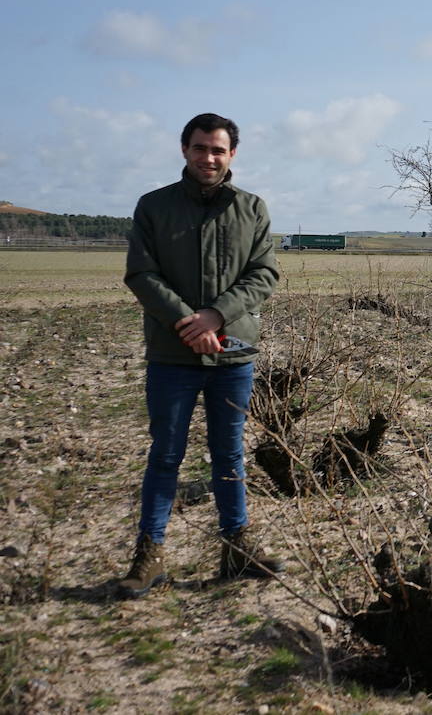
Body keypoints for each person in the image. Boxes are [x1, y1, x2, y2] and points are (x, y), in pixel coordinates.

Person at [118, 113, 282, 598]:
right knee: (166, 455)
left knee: (229, 454)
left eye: (218, 149)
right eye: (199, 147)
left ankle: (237, 546)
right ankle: (149, 554)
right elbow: (142, 275)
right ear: (184, 150)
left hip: (233, 356)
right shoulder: (154, 207)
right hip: (173, 356)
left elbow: (264, 274)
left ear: (232, 154)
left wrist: (216, 316)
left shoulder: (252, 209)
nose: (208, 157)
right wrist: (188, 324)